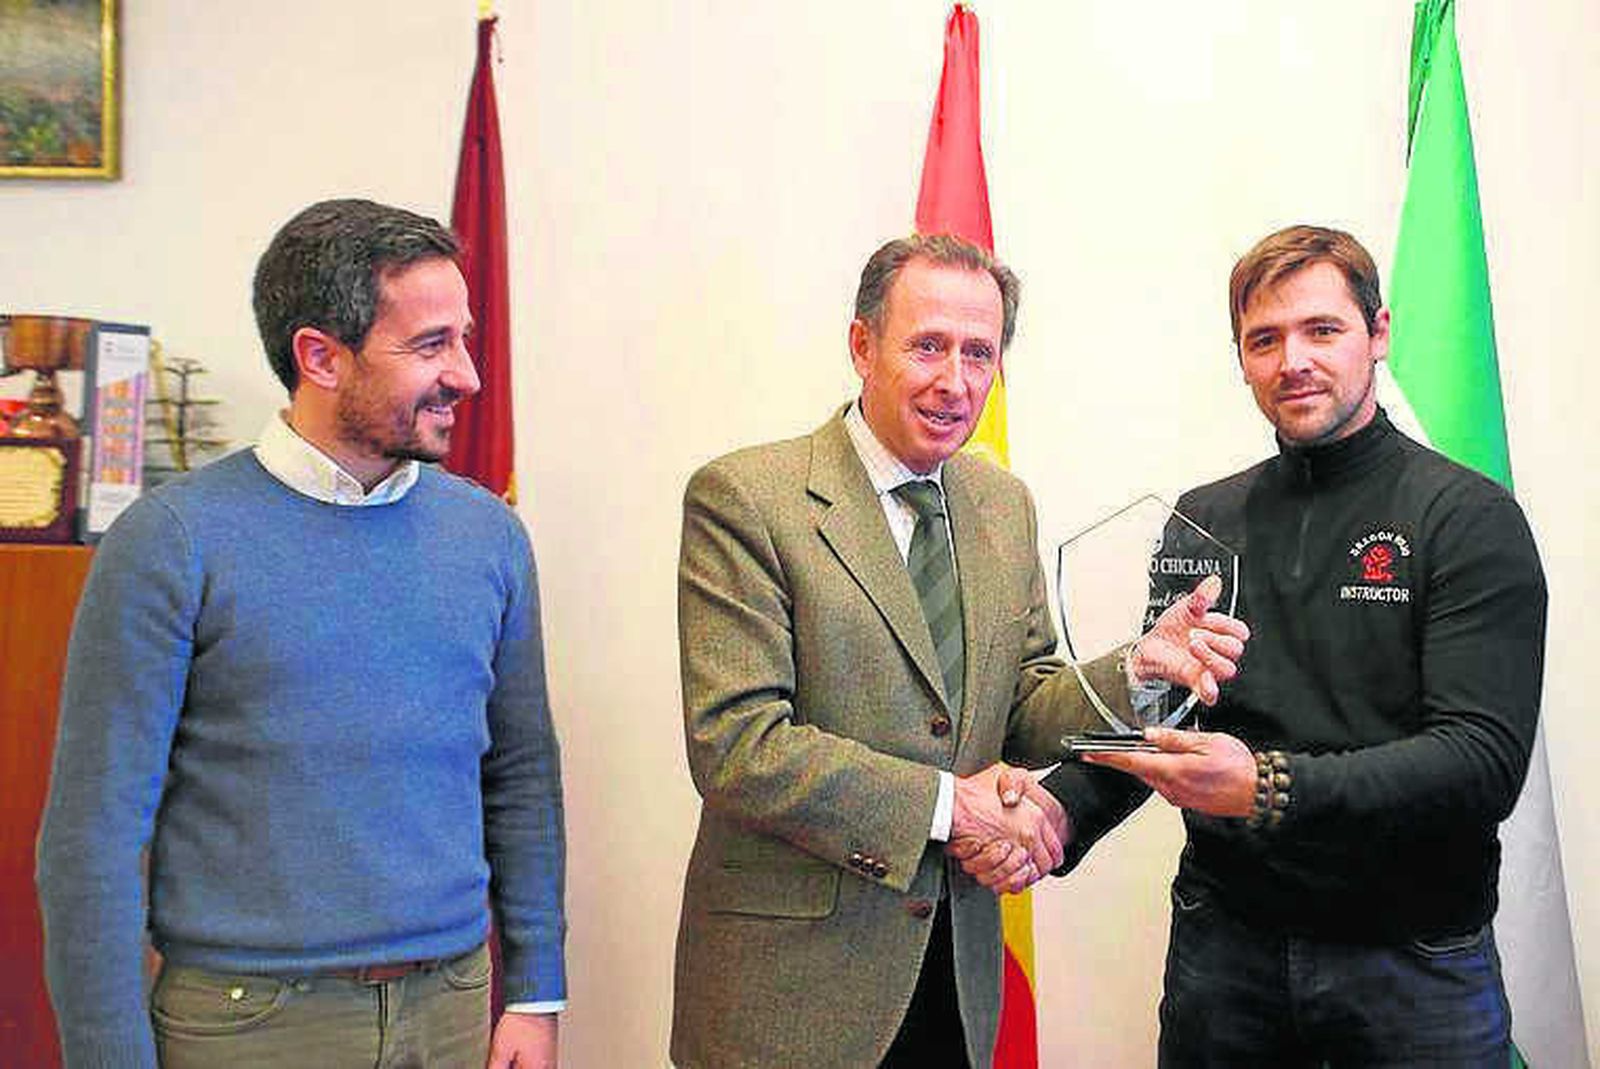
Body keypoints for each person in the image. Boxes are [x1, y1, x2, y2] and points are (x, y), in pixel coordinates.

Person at [669, 234, 1248, 1068]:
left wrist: (1135, 668)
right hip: (792, 996)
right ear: (862, 345)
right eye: (928, 345)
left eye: (980, 352)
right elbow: (739, 747)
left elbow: (1020, 705)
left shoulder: (1000, 503)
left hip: (956, 973)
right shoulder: (748, 499)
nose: (955, 380)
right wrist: (952, 806)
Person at [978, 224, 1547, 1066]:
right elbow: (1159, 717)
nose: (1295, 361)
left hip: (1415, 966)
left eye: (1323, 330)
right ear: (1240, 357)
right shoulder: (1206, 518)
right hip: (1227, 956)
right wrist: (1060, 810)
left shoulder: (1467, 517)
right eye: (1265, 339)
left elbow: (1480, 761)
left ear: (1379, 333)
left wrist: (1268, 785)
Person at [36, 198, 566, 1069]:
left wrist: (536, 991)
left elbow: (521, 776)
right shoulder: (172, 541)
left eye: (462, 338)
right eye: (432, 345)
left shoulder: (489, 536)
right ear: (319, 356)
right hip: (251, 1023)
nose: (467, 375)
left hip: (454, 1006)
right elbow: (90, 838)